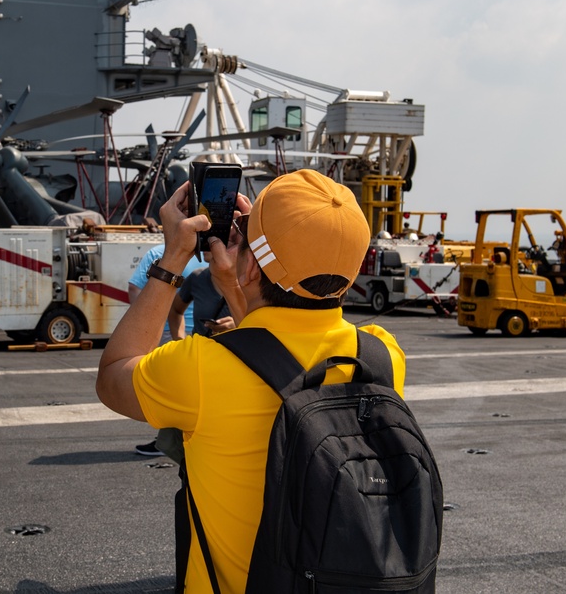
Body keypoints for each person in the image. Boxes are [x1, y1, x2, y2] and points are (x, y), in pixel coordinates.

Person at [96, 170, 406, 592]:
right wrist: (236, 277)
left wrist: (171, 260)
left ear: (255, 266)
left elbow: (114, 374)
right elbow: (275, 358)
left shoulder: (203, 366)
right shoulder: (381, 356)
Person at [128, 243, 207, 456]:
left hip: (172, 332)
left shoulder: (160, 253)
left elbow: (135, 289)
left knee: (175, 389)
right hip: (194, 333)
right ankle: (173, 440)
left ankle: (169, 441)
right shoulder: (218, 253)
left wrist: (146, 323)